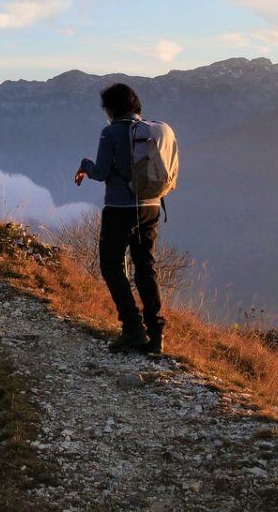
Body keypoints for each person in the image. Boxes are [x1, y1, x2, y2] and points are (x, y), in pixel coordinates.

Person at [75, 82, 165, 354]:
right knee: (145, 267)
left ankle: (132, 328)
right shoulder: (152, 131)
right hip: (151, 206)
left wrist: (84, 165)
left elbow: (101, 172)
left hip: (119, 209)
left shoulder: (110, 132)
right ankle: (156, 334)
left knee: (111, 266)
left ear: (111, 109)